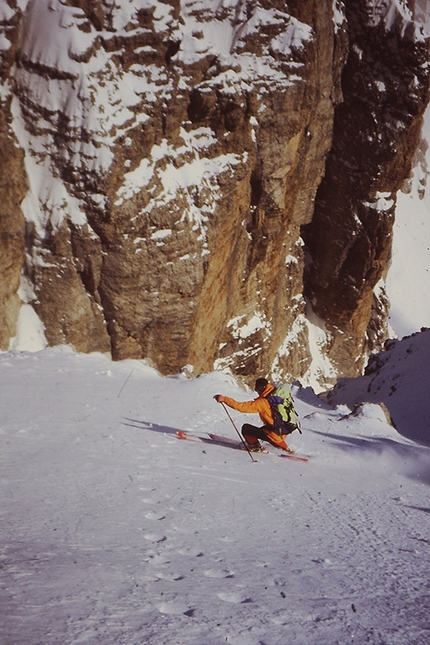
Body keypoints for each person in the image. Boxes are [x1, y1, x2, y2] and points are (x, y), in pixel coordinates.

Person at [214, 377, 292, 453]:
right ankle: (286, 449)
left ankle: (255, 447)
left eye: (257, 389)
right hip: (283, 430)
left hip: (274, 433)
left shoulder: (263, 402)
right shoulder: (277, 398)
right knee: (268, 431)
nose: (257, 392)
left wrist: (224, 399)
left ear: (261, 388)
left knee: (246, 429)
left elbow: (241, 407)